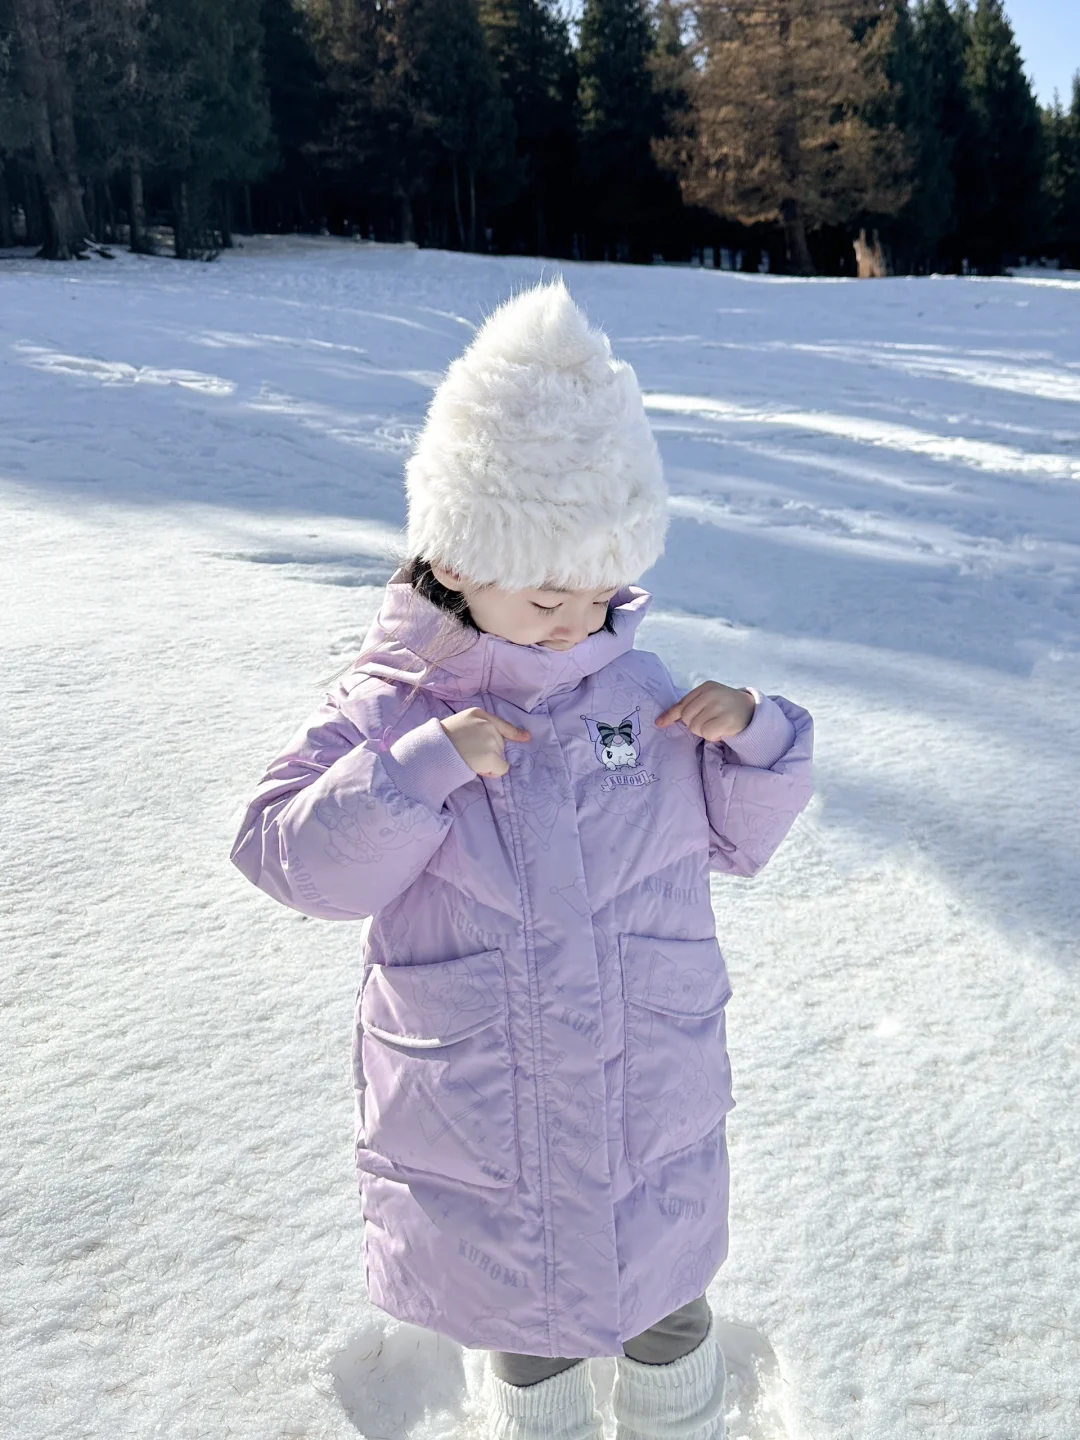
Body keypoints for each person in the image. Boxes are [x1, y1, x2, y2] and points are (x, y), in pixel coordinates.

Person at [230, 278, 814, 1440]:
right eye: (548, 595)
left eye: (600, 596)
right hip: (483, 1106)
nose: (576, 623)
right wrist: (419, 766)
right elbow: (285, 854)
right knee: (527, 1319)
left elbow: (738, 843)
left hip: (649, 1088)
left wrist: (756, 736)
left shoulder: (638, 691)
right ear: (458, 559)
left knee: (669, 1307)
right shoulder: (391, 708)